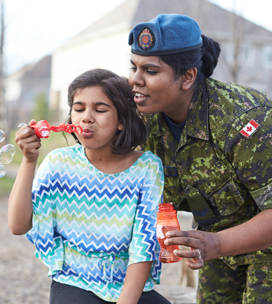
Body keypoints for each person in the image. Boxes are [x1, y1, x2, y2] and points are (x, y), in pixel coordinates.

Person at [128, 13, 272, 303]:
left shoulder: (244, 120)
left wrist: (216, 244)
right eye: (133, 67)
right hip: (218, 244)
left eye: (151, 71)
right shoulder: (146, 123)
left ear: (188, 77)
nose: (135, 80)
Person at [8, 69, 171, 304]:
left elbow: (143, 246)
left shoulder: (147, 167)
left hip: (130, 284)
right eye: (79, 108)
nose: (86, 117)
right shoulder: (58, 163)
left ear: (122, 121)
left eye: (100, 109)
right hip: (74, 281)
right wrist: (29, 160)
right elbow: (17, 225)